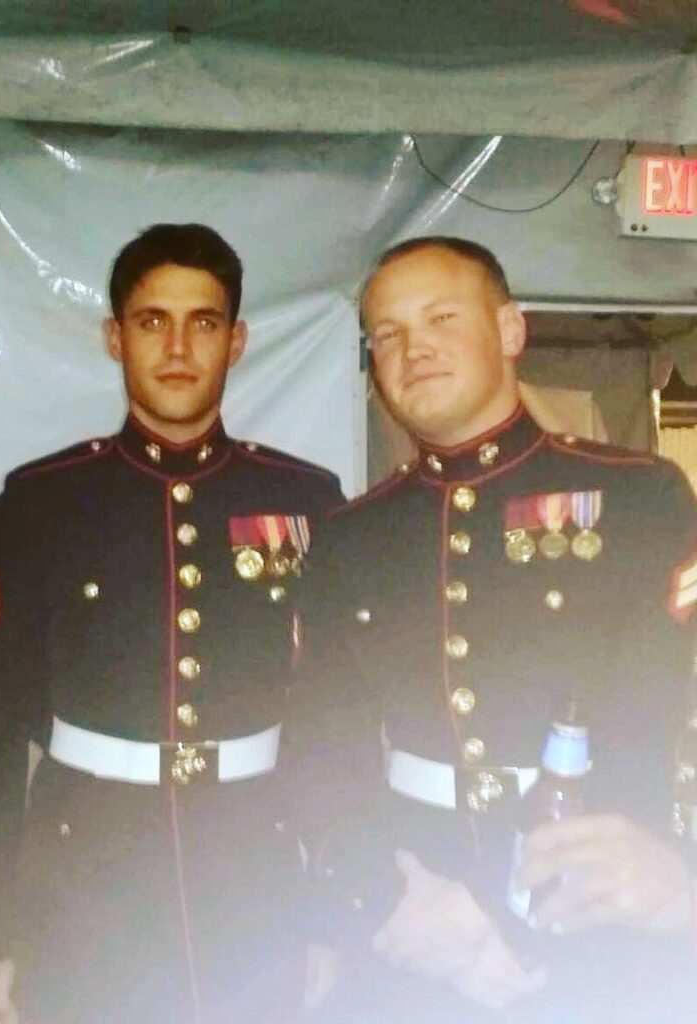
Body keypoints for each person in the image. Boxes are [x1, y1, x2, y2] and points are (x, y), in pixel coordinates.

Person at [296, 236, 697, 1023]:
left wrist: (684, 875)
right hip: (422, 926)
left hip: (613, 916)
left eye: (441, 317)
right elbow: (321, 750)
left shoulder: (642, 500)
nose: (413, 350)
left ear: (511, 331)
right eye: (387, 335)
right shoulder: (351, 538)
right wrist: (381, 898)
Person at [0, 223, 345, 1024]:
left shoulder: (307, 499)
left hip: (255, 868)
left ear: (236, 341)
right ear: (115, 336)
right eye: (151, 321)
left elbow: (330, 720)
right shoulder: (42, 502)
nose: (177, 346)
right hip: (83, 871)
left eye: (203, 322)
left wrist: (332, 908)